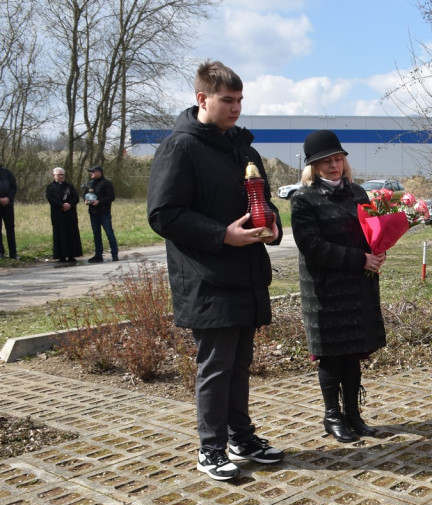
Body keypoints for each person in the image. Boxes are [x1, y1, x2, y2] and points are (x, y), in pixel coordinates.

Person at [147, 60, 284, 481]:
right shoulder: (180, 148)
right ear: (202, 98)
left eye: (241, 100)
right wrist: (222, 235)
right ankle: (210, 449)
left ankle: (242, 438)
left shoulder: (244, 149)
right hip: (206, 278)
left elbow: (260, 199)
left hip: (245, 275)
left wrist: (274, 223)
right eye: (228, 100)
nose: (236, 108)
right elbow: (164, 215)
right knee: (217, 367)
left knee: (240, 365)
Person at [289, 130, 386, 443]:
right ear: (313, 167)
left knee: (353, 354)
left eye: (338, 158)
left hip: (357, 287)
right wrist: (360, 258)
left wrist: (379, 248)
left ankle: (354, 415)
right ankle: (332, 416)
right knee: (332, 357)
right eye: (325, 161)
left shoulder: (358, 193)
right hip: (325, 291)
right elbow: (312, 246)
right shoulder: (303, 199)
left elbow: (372, 232)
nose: (333, 165)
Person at [46, 167, 83, 264]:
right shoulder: (50, 187)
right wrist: (62, 205)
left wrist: (69, 205)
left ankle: (72, 255)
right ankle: (61, 256)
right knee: (60, 235)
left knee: (71, 234)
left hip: (70, 214)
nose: (61, 176)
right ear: (54, 175)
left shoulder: (69, 186)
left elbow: (76, 197)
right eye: (59, 175)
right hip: (58, 215)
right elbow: (51, 199)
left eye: (63, 174)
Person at [84, 165, 118, 263]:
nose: (91, 173)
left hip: (104, 213)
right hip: (93, 213)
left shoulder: (106, 183)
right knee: (96, 235)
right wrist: (86, 201)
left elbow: (111, 197)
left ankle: (114, 254)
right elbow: (85, 195)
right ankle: (98, 255)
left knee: (109, 233)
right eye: (90, 172)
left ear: (99, 172)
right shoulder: (90, 184)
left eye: (93, 172)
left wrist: (100, 201)